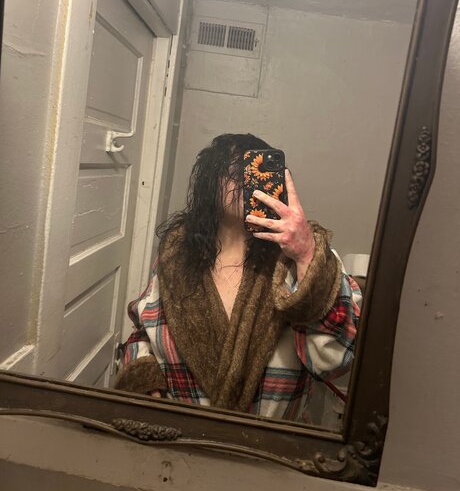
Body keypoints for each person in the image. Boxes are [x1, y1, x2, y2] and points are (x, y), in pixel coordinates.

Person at [115, 133, 361, 423]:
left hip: (271, 441)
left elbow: (336, 360)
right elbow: (143, 332)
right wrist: (144, 379)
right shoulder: (177, 257)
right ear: (210, 181)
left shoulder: (304, 258)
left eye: (257, 169)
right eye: (234, 169)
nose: (246, 179)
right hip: (177, 435)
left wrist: (306, 254)